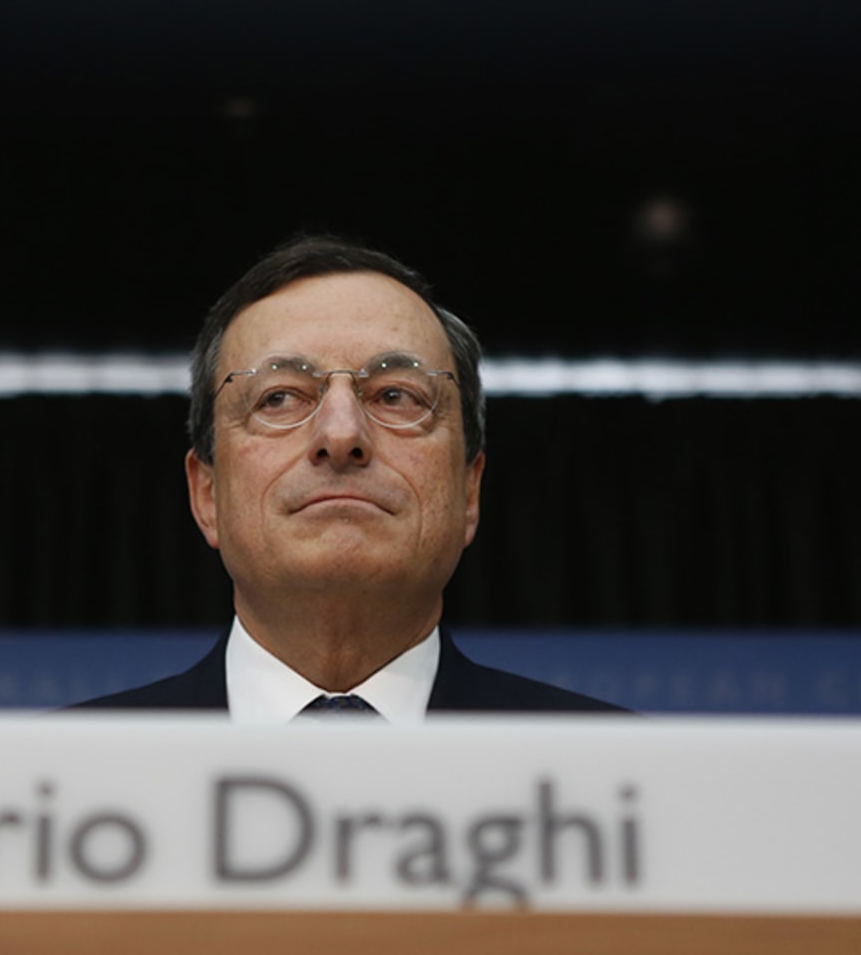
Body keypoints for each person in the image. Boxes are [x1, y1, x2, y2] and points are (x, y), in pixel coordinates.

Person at [78, 236, 624, 720]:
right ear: (207, 495)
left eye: (395, 396)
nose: (341, 436)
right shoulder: (57, 787)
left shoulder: (622, 783)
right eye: (281, 397)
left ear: (469, 492)